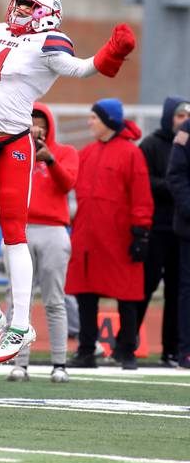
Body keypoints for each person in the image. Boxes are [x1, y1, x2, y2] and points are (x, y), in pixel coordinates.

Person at [0, 0, 136, 362]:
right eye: (21, 3)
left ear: (46, 13)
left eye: (29, 6)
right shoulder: (2, 32)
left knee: (13, 234)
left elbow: (80, 68)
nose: (20, 10)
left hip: (15, 145)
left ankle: (19, 323)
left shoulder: (49, 43)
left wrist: (114, 51)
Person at [65, 99, 153, 370]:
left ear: (108, 121)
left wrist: (141, 233)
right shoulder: (87, 153)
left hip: (120, 237)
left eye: (94, 117)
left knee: (126, 296)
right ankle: (86, 350)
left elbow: (141, 196)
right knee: (85, 294)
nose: (90, 122)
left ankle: (127, 351)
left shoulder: (131, 153)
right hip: (87, 237)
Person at [4, 102, 78, 383]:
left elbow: (68, 184)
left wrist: (50, 160)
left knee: (54, 300)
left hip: (54, 231)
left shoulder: (66, 153)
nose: (37, 129)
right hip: (20, 229)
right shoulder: (15, 153)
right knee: (18, 299)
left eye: (41, 124)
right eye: (31, 124)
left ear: (49, 127)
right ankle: (19, 362)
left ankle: (59, 363)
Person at [138, 98, 188, 367]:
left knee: (177, 292)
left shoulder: (187, 144)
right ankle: (128, 342)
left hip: (180, 230)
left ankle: (171, 349)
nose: (183, 120)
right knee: (145, 286)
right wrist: (175, 186)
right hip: (155, 228)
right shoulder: (151, 144)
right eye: (179, 115)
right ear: (170, 116)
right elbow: (144, 181)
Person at [167, 114, 190, 369]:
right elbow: (176, 175)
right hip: (189, 228)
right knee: (188, 291)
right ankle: (187, 350)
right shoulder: (187, 130)